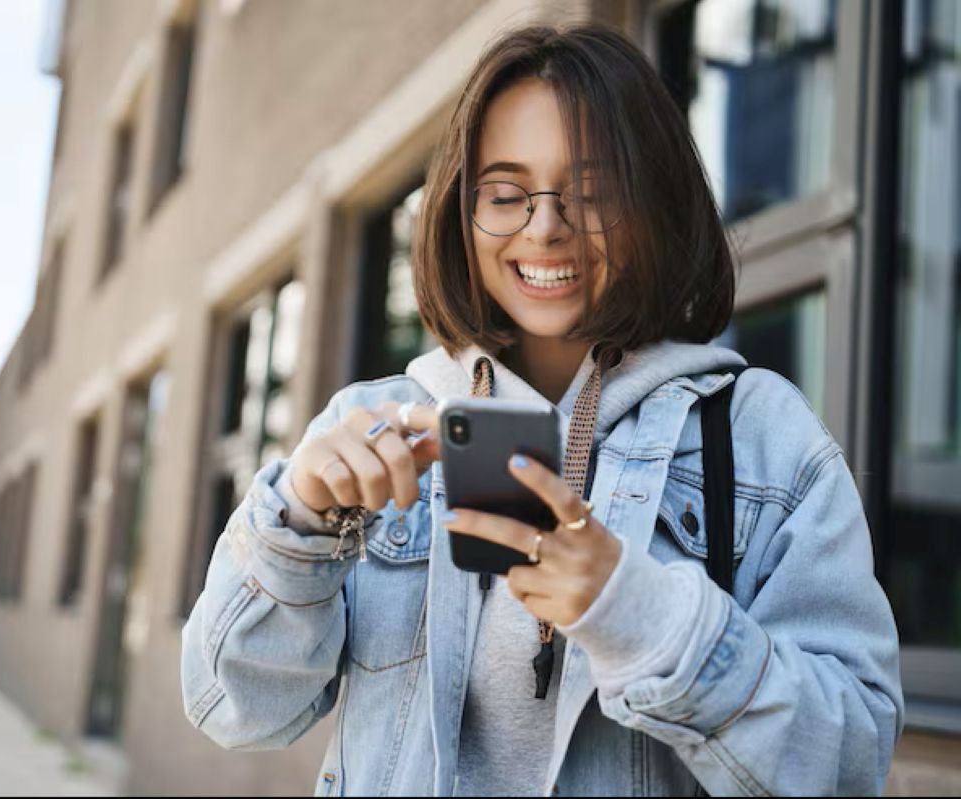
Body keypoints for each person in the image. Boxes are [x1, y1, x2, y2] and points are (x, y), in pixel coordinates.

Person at [181, 23, 903, 797]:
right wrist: (297, 527)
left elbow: (851, 757)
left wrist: (644, 616)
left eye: (593, 192)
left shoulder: (762, 438)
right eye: (505, 192)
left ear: (654, 202)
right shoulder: (376, 421)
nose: (545, 226)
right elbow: (233, 708)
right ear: (464, 209)